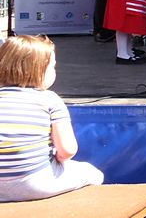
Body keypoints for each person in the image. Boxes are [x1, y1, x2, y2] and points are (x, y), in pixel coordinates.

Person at [0, 36, 103, 202]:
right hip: (35, 183)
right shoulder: (49, 99)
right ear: (38, 70)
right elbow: (67, 150)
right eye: (52, 67)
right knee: (93, 173)